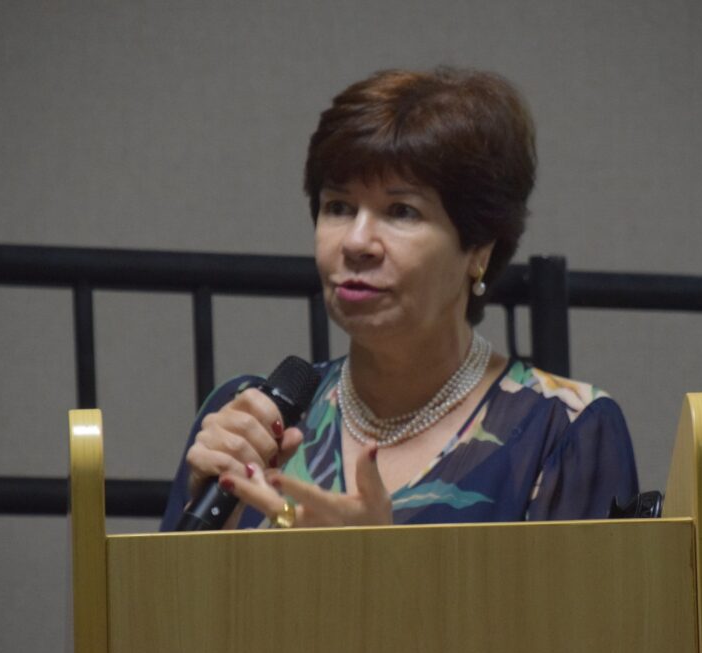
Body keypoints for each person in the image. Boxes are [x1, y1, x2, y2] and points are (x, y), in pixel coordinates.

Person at [160, 67, 637, 532]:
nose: (356, 242)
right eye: (338, 207)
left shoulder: (563, 429)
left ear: (479, 249)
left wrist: (380, 567)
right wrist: (216, 530)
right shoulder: (254, 418)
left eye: (402, 211)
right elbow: (164, 591)